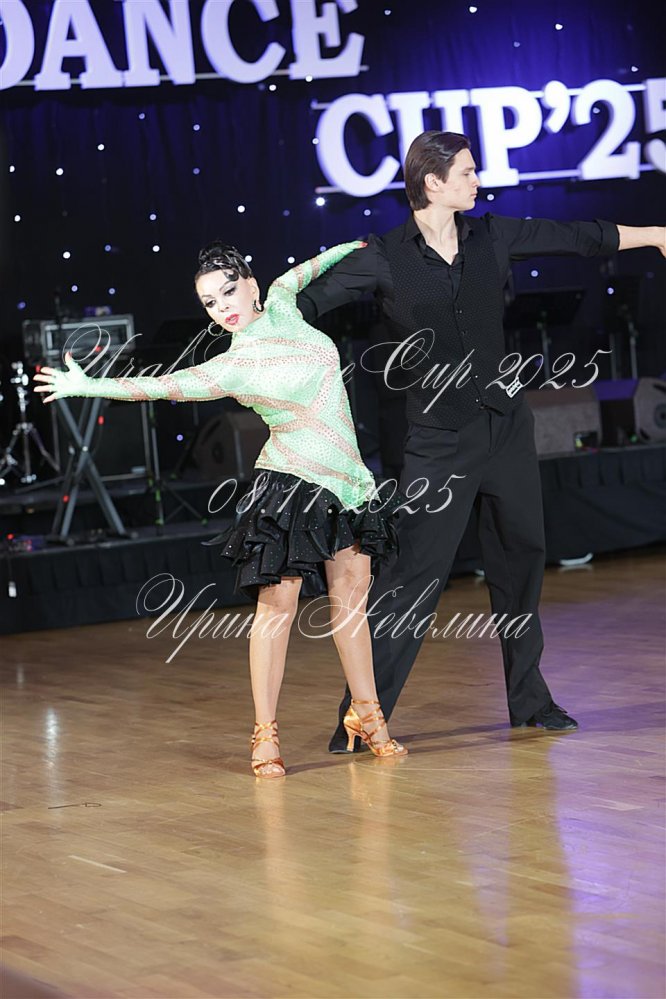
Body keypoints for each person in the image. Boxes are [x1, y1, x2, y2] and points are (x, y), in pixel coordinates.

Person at [295, 130, 666, 752]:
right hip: (438, 440)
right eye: (466, 172)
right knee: (413, 577)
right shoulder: (382, 256)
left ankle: (530, 700)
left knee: (521, 561)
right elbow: (305, 304)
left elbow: (575, 236)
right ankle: (363, 714)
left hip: (506, 427)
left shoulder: (492, 235)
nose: (476, 181)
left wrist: (654, 234)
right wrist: (253, 328)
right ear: (432, 182)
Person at [34, 241, 409, 777]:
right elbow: (161, 387)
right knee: (277, 611)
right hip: (291, 486)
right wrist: (90, 385)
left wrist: (349, 247)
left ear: (251, 284)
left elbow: (302, 270)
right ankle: (265, 733)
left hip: (349, 483)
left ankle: (367, 716)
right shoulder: (230, 366)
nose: (222, 307)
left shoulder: (283, 303)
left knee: (351, 605)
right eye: (210, 302)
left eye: (229, 291)